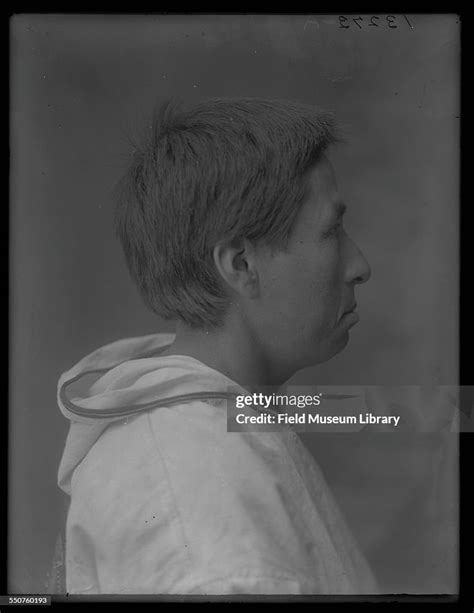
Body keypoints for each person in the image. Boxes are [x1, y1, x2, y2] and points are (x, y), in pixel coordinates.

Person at [56, 97, 377, 595]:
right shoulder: (198, 480)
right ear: (241, 266)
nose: (360, 265)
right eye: (331, 231)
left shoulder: (213, 424)